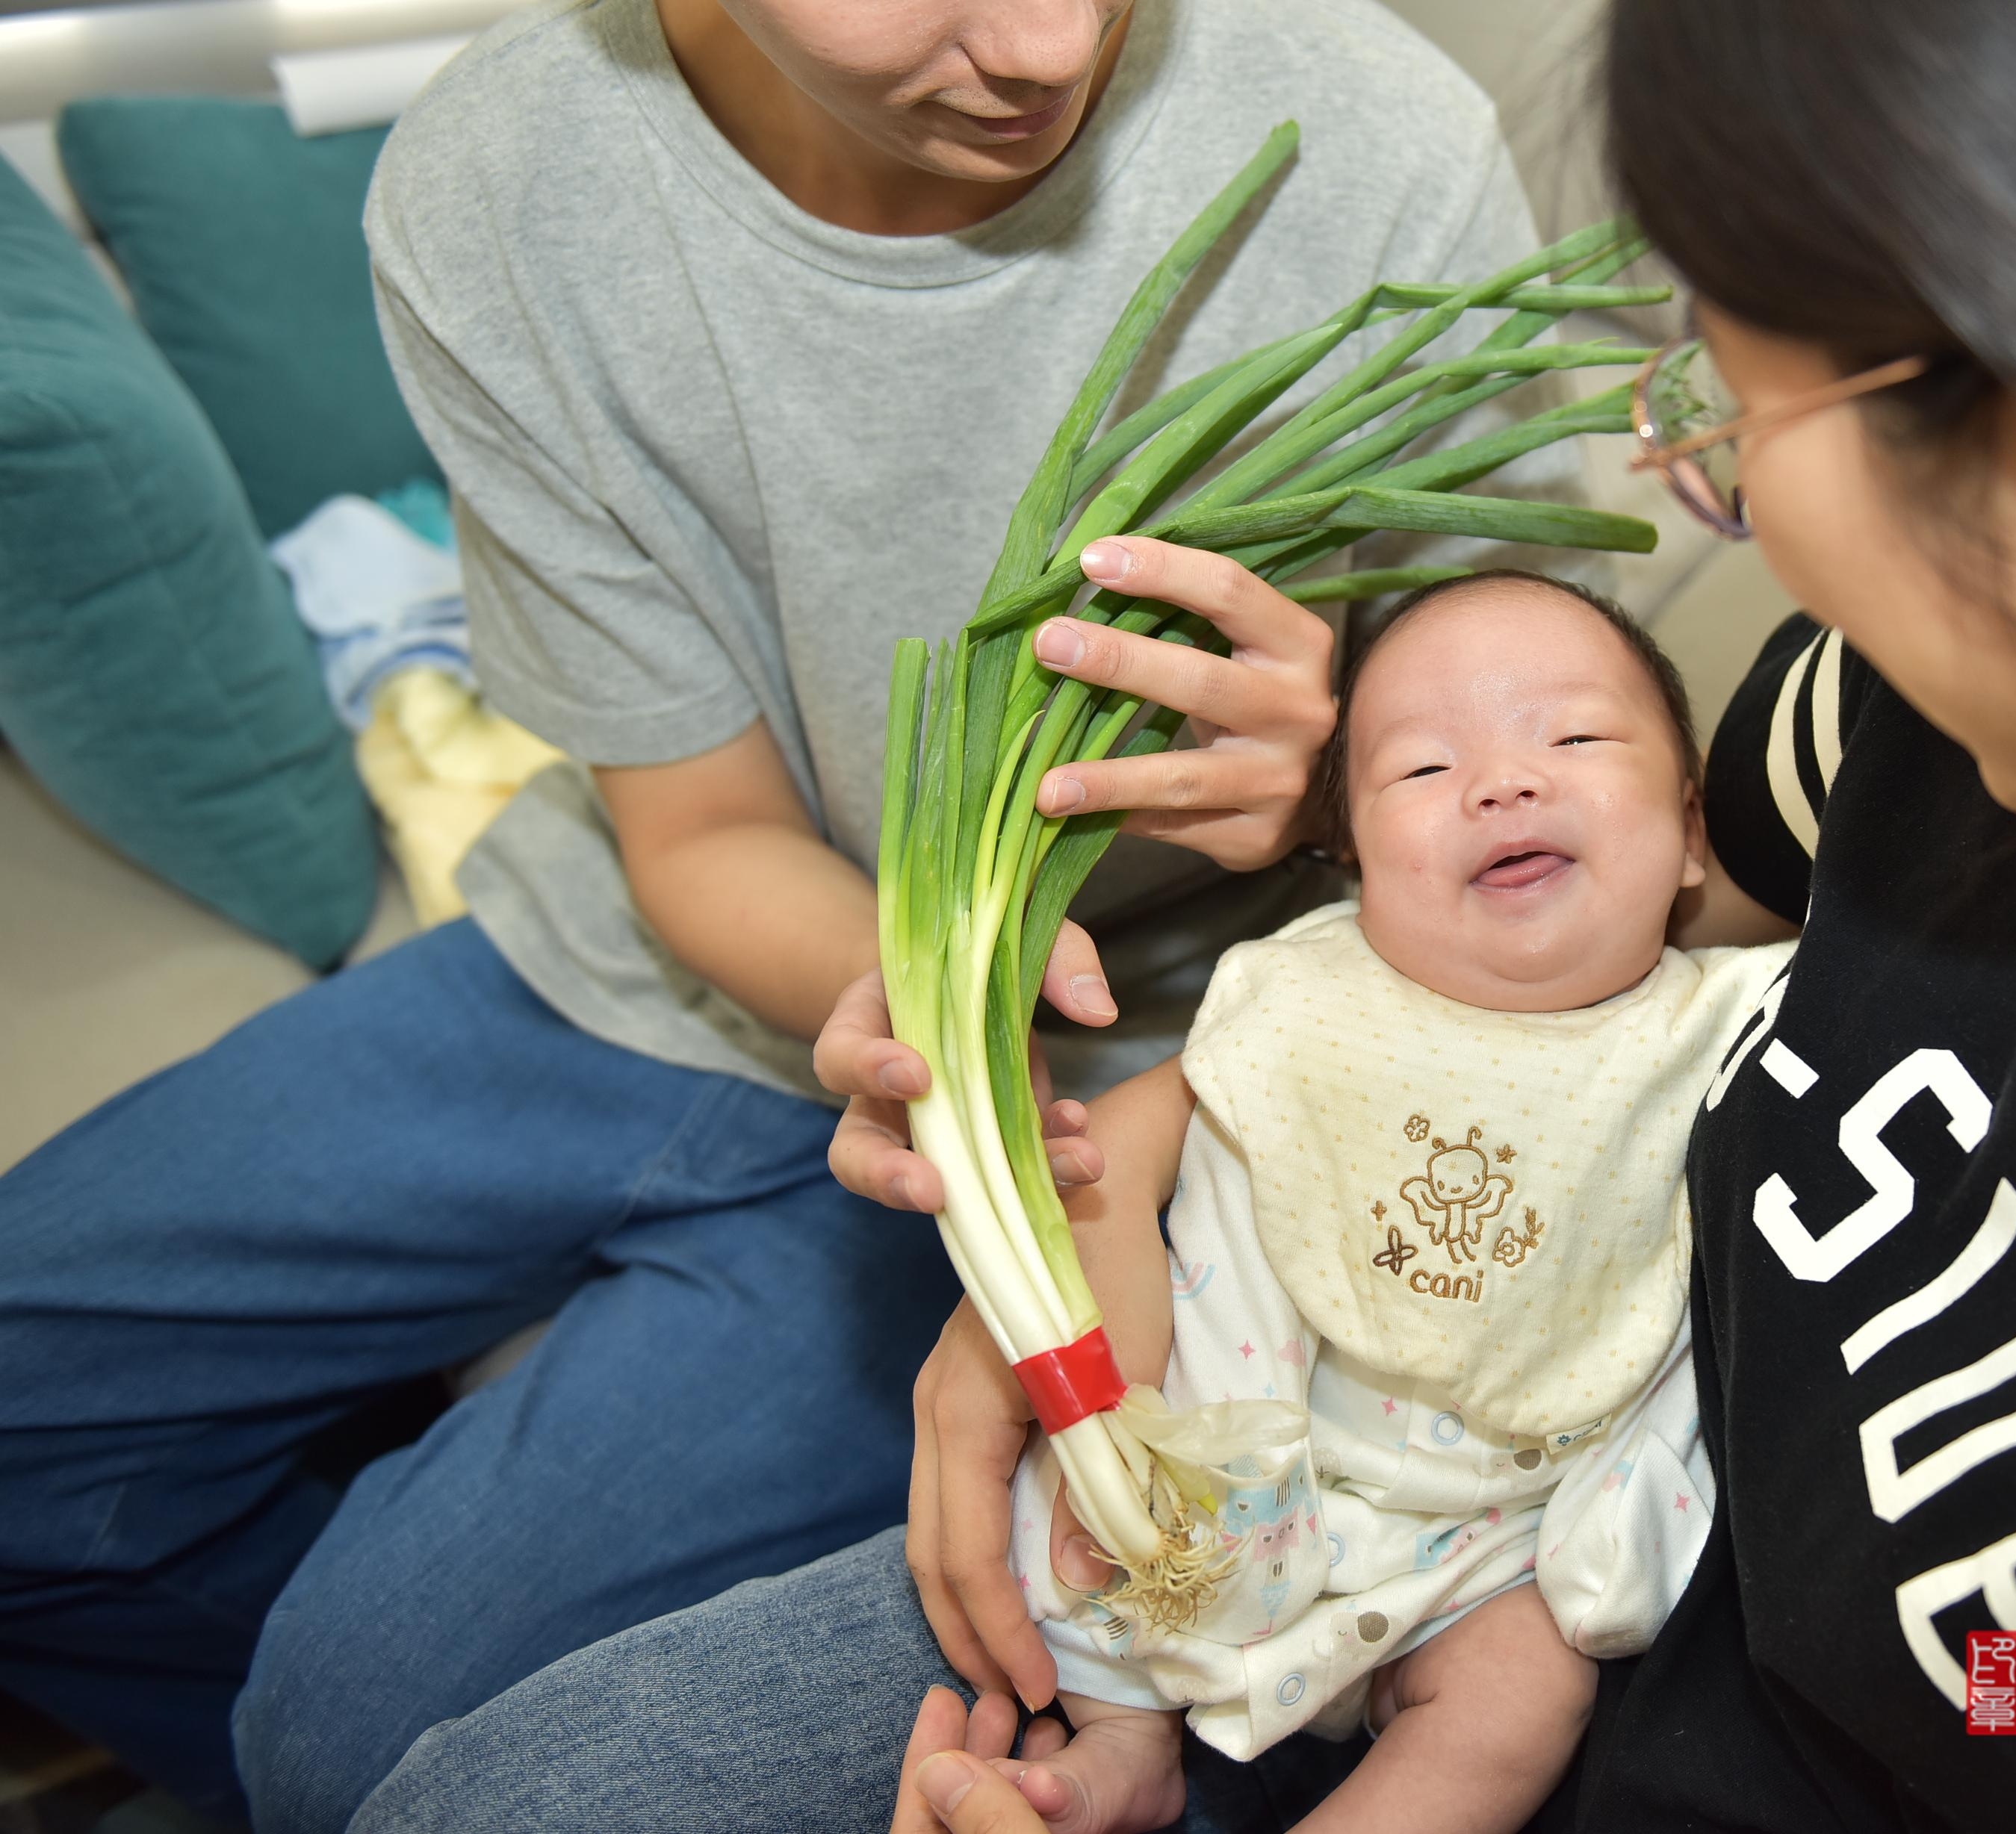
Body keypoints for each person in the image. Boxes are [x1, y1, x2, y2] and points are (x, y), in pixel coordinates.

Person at [341, 0, 2016, 1829]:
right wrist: (1117, 1232)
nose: (1710, 504)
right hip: (1323, 1493)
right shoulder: (1932, 715)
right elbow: (1527, 957)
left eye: (1724, 398)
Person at [0, 0, 1571, 1824]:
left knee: (353, 1722)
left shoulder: (1374, 139)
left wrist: (1329, 795)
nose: (1048, 44)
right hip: (644, 969)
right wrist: (926, 1006)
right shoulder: (505, 178)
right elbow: (698, 831)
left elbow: (1590, 819)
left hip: (1142, 1083)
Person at [1008, 573, 1787, 1834]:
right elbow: (1152, 1198)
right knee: (1076, 1521)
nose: (1501, 782)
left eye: (1575, 737)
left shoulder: (1729, 1020)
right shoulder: (1305, 1000)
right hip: (1255, 1458)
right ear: (1354, 865)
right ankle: (1123, 1740)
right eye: (1424, 770)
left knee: (1525, 1696)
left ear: (1693, 834)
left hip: (1495, 1538)